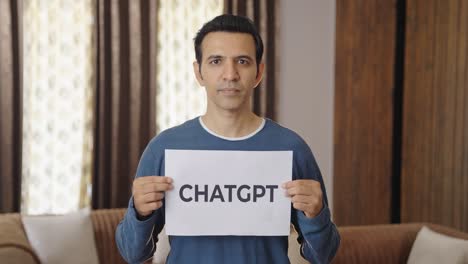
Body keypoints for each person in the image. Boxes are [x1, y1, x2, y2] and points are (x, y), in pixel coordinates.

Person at [116, 14, 340, 264]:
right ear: (198, 72)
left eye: (242, 61)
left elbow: (323, 255)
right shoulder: (164, 148)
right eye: (216, 61)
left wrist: (317, 215)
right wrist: (140, 212)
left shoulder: (292, 148)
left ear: (259, 72)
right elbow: (132, 254)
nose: (230, 74)